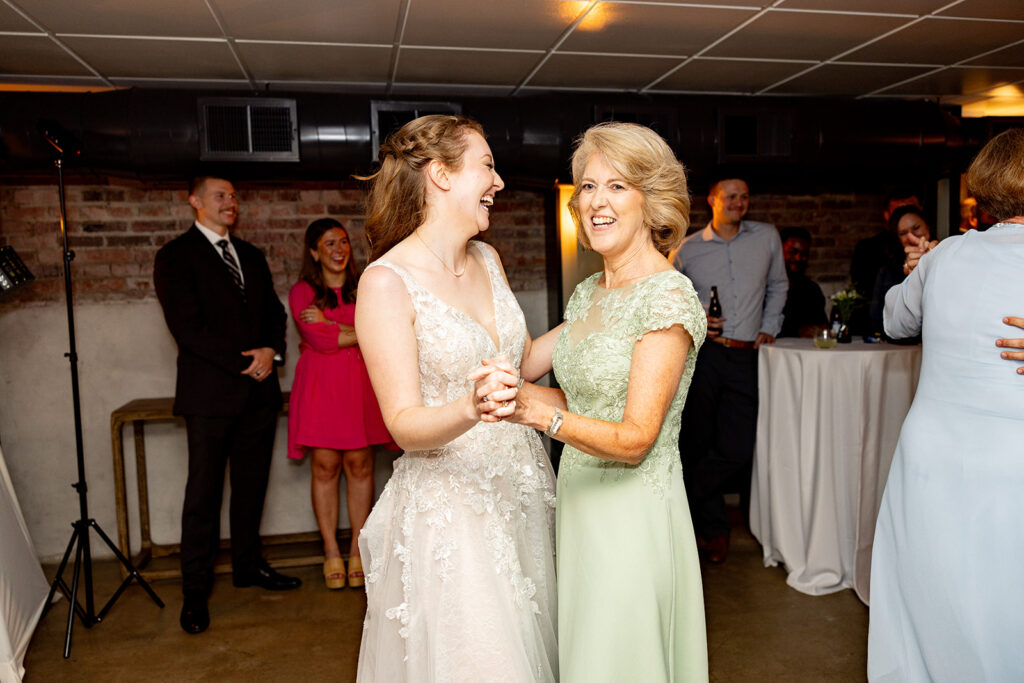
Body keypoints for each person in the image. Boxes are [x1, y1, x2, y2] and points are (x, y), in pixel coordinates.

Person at [483, 121, 709, 681]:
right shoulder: (590, 293)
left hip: (634, 514)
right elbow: (534, 369)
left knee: (624, 655)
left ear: (651, 204)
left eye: (616, 186)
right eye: (586, 186)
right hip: (580, 504)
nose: (595, 202)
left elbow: (634, 439)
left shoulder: (668, 296)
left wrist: (538, 414)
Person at [352, 115, 557, 681]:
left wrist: (594, 317)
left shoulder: (487, 260)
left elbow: (516, 364)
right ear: (441, 175)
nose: (499, 181)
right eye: (487, 165)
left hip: (521, 485)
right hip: (455, 508)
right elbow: (403, 424)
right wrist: (471, 407)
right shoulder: (385, 282)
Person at [868, 128, 1024, 682]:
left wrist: (922, 272)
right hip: (1009, 456)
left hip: (931, 453)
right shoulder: (946, 253)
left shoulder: (946, 254)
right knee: (1003, 598)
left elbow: (893, 322)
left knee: (930, 588)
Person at [153, 176, 300, 636]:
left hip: (258, 395)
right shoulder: (175, 257)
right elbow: (187, 327)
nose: (230, 202)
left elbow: (275, 316)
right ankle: (195, 590)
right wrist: (245, 360)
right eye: (221, 195)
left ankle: (247, 565)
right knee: (204, 494)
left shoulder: (251, 256)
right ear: (194, 201)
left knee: (252, 487)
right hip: (210, 395)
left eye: (235, 196)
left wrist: (270, 353)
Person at [672, 177, 787, 563]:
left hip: (746, 355)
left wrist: (770, 325)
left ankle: (681, 489)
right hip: (704, 354)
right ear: (713, 201)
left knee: (738, 448)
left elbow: (778, 285)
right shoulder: (687, 249)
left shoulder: (767, 237)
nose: (739, 202)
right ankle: (715, 530)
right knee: (698, 440)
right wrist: (698, 317)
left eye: (744, 195)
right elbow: (672, 300)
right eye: (731, 196)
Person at [287, 218, 391, 590]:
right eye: (329, 243)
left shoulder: (365, 288)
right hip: (320, 387)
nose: (338, 249)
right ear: (314, 252)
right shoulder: (302, 292)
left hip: (359, 385)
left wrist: (334, 325)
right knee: (326, 466)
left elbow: (382, 331)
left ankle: (356, 550)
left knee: (361, 464)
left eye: (343, 242)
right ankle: (330, 548)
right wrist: (356, 334)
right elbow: (318, 341)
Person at [868, 205, 931, 335]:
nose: (911, 236)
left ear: (928, 226)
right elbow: (877, 317)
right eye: (903, 233)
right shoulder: (887, 271)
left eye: (916, 228)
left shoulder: (945, 257)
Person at [778, 227, 827, 338]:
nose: (798, 258)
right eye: (793, 252)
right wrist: (797, 332)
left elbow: (821, 323)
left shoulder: (811, 289)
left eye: (804, 254)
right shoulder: (765, 288)